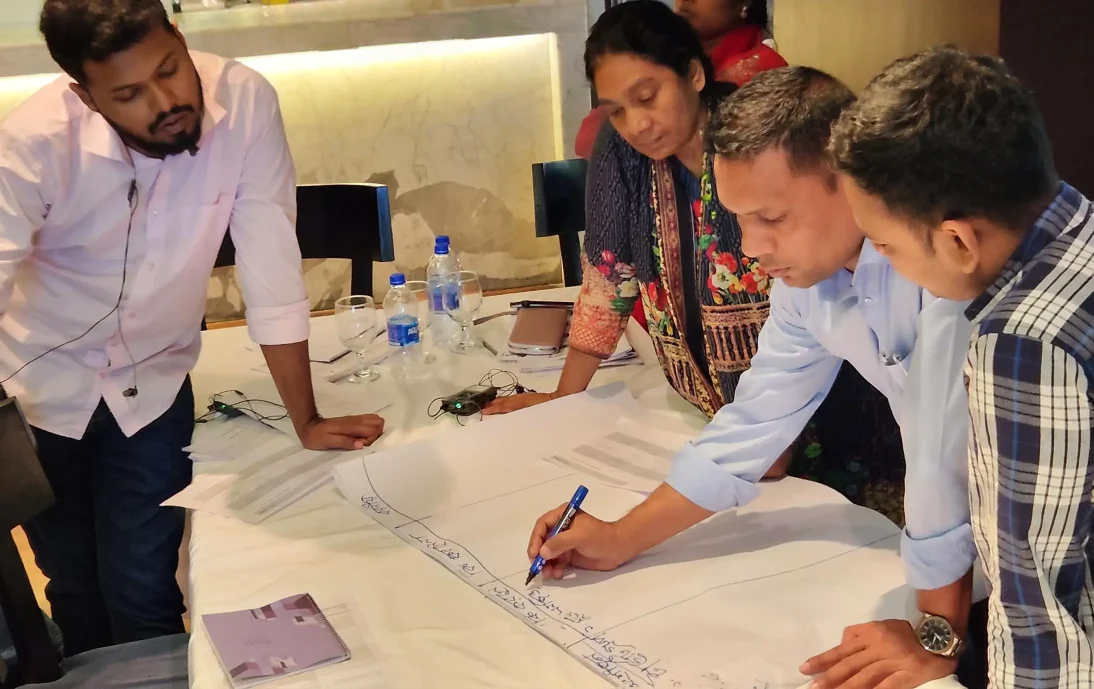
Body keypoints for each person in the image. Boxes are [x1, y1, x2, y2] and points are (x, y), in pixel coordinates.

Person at [525, 65, 982, 689]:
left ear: (854, 181)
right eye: (740, 219)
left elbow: (939, 454)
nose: (751, 247)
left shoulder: (943, 266)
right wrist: (623, 537)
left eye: (772, 217)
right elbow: (755, 420)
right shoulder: (808, 283)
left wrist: (937, 633)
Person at [0, 0, 385, 654]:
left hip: (152, 387)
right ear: (85, 96)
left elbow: (270, 267)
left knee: (143, 589)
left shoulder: (246, 101)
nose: (166, 102)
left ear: (178, 36)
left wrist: (307, 418)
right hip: (40, 396)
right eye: (128, 95)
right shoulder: (31, 145)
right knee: (72, 585)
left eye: (170, 69)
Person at [827, 46, 1093, 689]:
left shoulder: (1022, 345)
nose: (885, 265)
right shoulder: (1078, 230)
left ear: (957, 240)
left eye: (886, 246)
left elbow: (1038, 608)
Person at [574, 0, 786, 159]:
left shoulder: (760, 76)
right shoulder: (653, 55)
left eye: (647, 97)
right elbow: (586, 141)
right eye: (616, 111)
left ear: (694, 74)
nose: (637, 126)